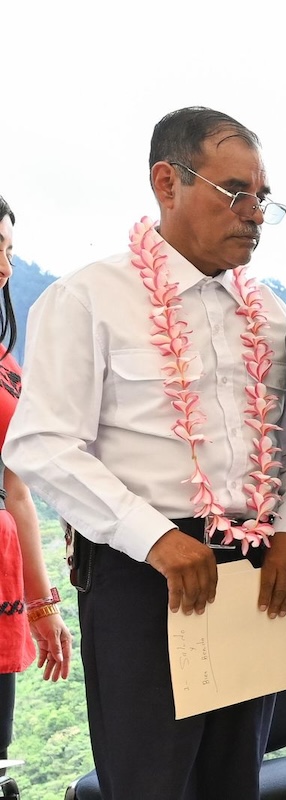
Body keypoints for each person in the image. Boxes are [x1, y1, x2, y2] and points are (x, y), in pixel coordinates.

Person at [3, 108, 286, 799]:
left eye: (264, 198)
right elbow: (41, 444)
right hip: (145, 576)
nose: (255, 214)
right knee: (151, 783)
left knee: (235, 781)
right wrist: (157, 540)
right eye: (236, 192)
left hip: (254, 573)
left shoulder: (268, 312)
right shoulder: (89, 298)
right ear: (166, 182)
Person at [0, 195, 71, 772]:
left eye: (9, 251)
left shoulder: (8, 366)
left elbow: (18, 489)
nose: (5, 267)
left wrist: (44, 607)